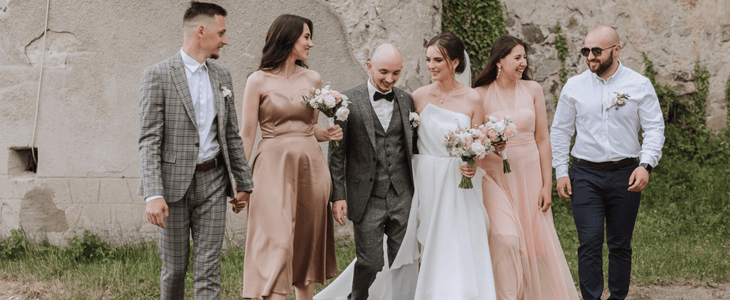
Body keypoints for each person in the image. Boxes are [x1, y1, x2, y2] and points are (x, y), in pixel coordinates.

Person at [137, 2, 254, 299]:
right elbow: (149, 139)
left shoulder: (222, 76)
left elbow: (231, 135)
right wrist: (153, 193)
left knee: (208, 269)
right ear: (201, 31)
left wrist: (244, 183)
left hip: (214, 181)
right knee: (175, 268)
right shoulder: (158, 75)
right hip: (172, 187)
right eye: (222, 32)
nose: (225, 40)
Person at [551, 25, 665, 300]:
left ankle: (617, 297)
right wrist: (561, 171)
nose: (591, 56)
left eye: (597, 51)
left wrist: (645, 164)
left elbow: (654, 128)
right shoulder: (575, 86)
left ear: (616, 49)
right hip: (584, 173)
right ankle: (590, 297)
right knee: (589, 242)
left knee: (620, 244)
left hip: (625, 173)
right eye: (586, 51)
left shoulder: (639, 85)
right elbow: (561, 130)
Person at [237, 14, 340, 300]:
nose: (311, 43)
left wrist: (327, 133)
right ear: (288, 38)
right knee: (278, 242)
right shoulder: (257, 80)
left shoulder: (313, 78)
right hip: (271, 166)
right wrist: (240, 180)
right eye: (306, 37)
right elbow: (247, 134)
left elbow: (308, 127)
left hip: (311, 167)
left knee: (305, 243)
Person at [474, 35, 579, 300]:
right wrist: (488, 144)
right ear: (500, 60)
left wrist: (547, 184)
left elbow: (543, 139)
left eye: (524, 57)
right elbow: (474, 140)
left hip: (530, 175)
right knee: (504, 240)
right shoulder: (480, 94)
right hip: (496, 178)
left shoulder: (533, 89)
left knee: (536, 245)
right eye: (517, 57)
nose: (523, 63)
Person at [325, 43, 418, 300]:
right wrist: (338, 196)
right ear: (369, 67)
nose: (390, 79)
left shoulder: (406, 100)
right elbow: (337, 155)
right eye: (384, 72)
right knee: (370, 262)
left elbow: (415, 145)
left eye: (396, 73)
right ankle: (357, 296)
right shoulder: (346, 102)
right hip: (366, 197)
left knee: (403, 260)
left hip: (402, 194)